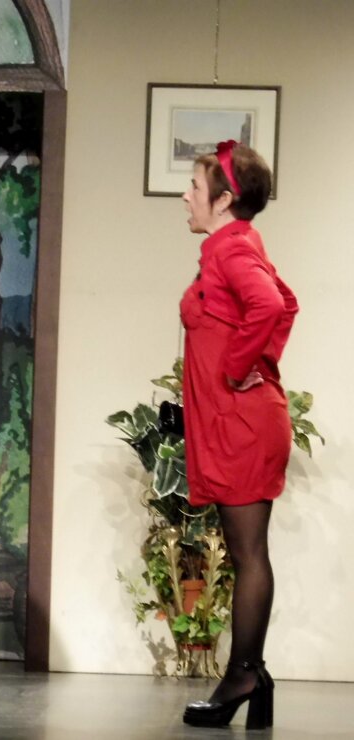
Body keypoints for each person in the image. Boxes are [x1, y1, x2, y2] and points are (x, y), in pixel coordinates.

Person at [179, 141, 298, 730]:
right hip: (238, 421)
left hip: (243, 425)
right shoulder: (236, 245)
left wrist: (237, 368)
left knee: (249, 555)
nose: (186, 197)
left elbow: (271, 304)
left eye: (195, 189)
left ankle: (244, 676)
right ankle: (252, 675)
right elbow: (287, 304)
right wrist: (253, 361)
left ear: (224, 200)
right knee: (247, 552)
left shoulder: (231, 248)